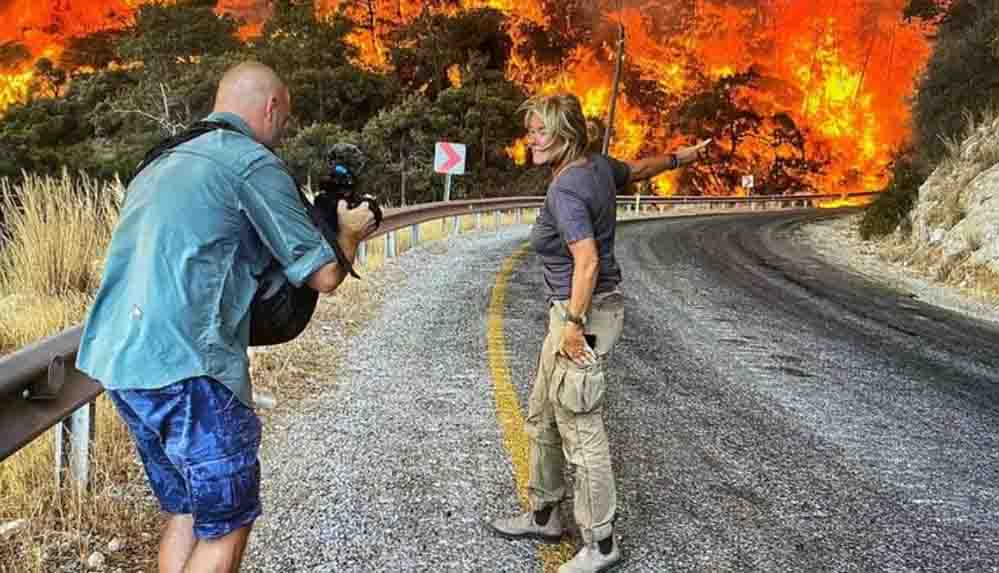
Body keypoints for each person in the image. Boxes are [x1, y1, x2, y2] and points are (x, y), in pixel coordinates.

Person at [75, 61, 376, 573]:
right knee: (227, 526)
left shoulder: (161, 159)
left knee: (188, 510)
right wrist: (347, 232)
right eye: (286, 119)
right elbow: (324, 275)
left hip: (121, 363)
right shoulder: (250, 162)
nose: (283, 131)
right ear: (271, 107)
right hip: (191, 370)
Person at [489, 93, 711, 572]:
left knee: (579, 422)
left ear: (565, 135)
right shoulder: (598, 167)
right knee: (543, 412)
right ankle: (545, 514)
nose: (531, 139)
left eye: (541, 131)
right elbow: (640, 169)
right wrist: (681, 157)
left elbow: (586, 261)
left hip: (582, 314)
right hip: (571, 312)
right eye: (531, 130)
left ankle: (601, 545)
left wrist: (573, 325)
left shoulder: (566, 190)